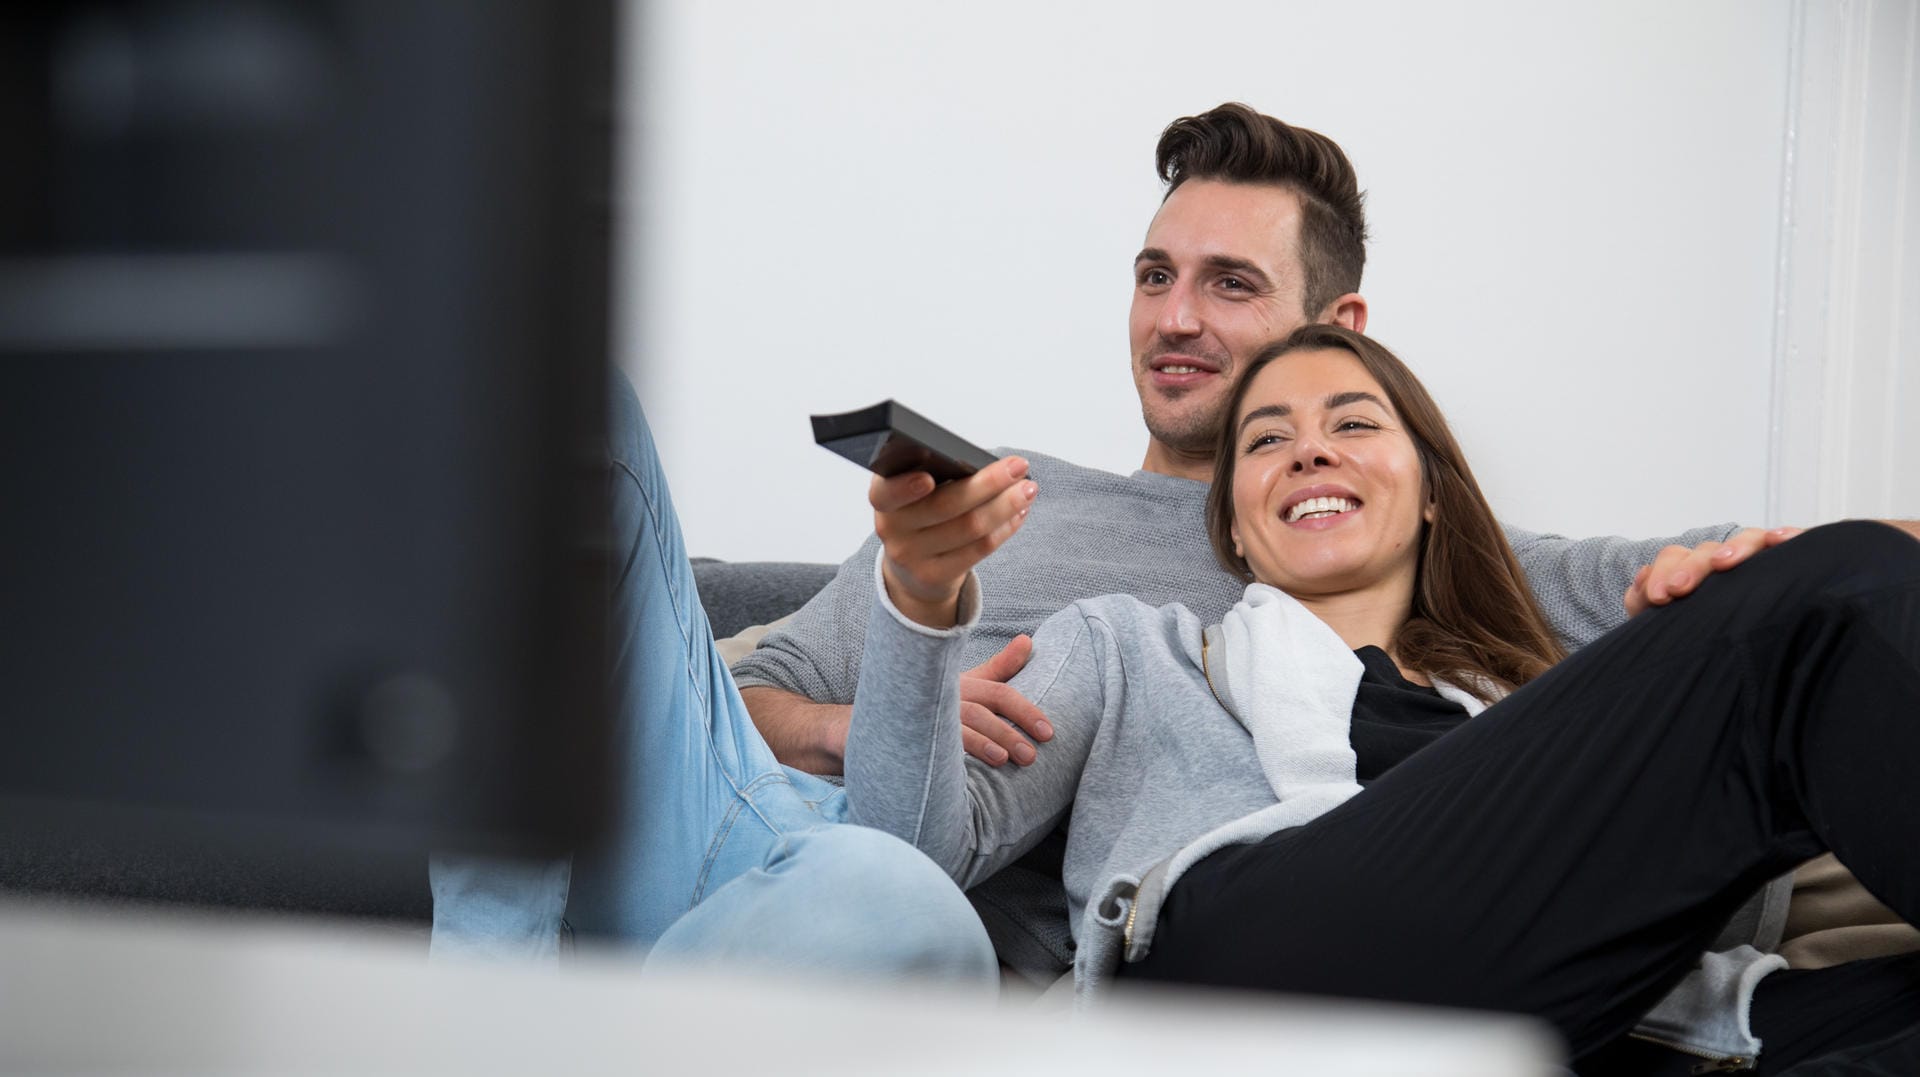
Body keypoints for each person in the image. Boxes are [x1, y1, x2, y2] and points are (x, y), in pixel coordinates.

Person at [727, 102, 1812, 980]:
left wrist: (1740, 582)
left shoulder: (1393, 545)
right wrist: (868, 715)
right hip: (816, 840)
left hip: (992, 920)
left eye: (1229, 284)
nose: (1174, 319)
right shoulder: (997, 505)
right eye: (1156, 276)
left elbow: (1754, 573)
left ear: (1336, 334)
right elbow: (747, 694)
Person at [843, 323, 1920, 1073]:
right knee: (1821, 599)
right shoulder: (1129, 646)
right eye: (1266, 439)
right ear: (1232, 527)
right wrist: (922, 594)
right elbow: (908, 854)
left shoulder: (1522, 702)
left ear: (1435, 494)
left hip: (1555, 1019)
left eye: (1354, 423)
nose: (1310, 445)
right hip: (1247, 985)